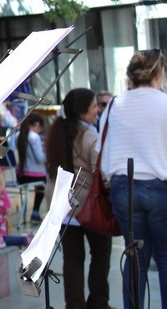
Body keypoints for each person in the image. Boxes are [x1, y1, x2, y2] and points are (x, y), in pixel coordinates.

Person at [101, 50, 167, 309]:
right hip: (160, 184)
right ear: (158, 73)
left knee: (134, 257)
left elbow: (102, 148)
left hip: (122, 187)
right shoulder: (164, 103)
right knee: (165, 257)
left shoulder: (114, 105)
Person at [45, 88, 111, 309]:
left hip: (65, 209)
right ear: (83, 112)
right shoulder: (90, 136)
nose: (97, 110)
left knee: (72, 260)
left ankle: (75, 305)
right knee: (100, 254)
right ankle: (98, 302)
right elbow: (101, 172)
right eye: (94, 106)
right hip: (90, 208)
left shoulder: (57, 134)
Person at [16, 113, 47, 222]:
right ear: (37, 124)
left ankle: (28, 215)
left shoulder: (17, 136)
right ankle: (35, 212)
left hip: (20, 176)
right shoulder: (34, 137)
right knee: (45, 182)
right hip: (34, 176)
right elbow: (40, 158)